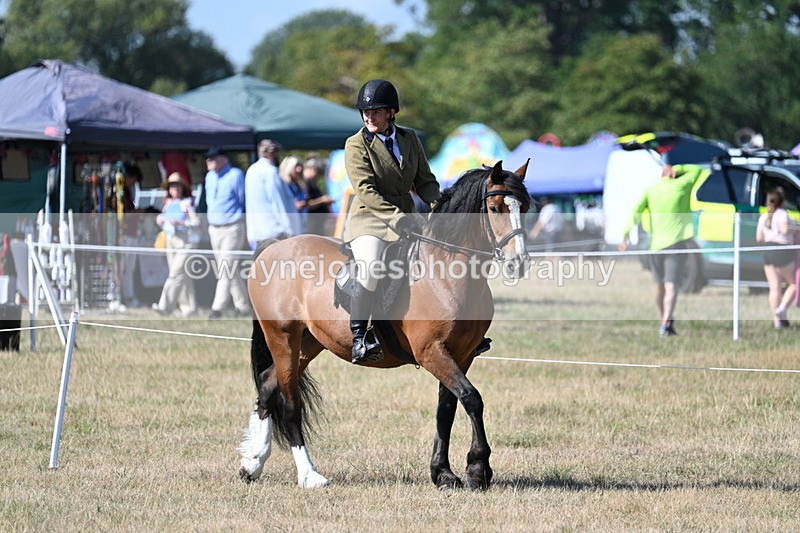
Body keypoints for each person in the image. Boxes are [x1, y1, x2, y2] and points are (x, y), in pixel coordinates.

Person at [343, 79, 440, 364]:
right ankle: (360, 337)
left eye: (375, 111)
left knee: (440, 261)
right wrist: (398, 219)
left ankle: (457, 330)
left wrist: (443, 209)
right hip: (370, 219)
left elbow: (426, 182)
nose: (368, 117)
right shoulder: (356, 144)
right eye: (365, 112)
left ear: (391, 113)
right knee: (372, 266)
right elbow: (366, 191)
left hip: (408, 218)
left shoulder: (410, 139)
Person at [620, 164, 704, 336]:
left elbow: (635, 211)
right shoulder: (681, 185)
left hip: (655, 245)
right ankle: (666, 322)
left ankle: (664, 320)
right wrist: (679, 168)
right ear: (673, 174)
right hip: (676, 244)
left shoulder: (652, 190)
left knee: (659, 285)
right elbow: (697, 170)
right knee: (671, 285)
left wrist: (626, 235)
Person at [203, 146, 250, 319]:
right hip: (214, 228)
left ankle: (218, 308)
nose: (209, 161)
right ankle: (243, 305)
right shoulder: (209, 177)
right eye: (208, 158)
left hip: (232, 226)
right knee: (228, 269)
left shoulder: (235, 175)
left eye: (213, 158)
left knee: (225, 267)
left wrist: (246, 227)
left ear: (223, 159)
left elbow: (243, 201)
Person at [152, 173, 199, 317]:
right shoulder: (167, 204)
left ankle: (164, 306)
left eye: (177, 186)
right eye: (172, 187)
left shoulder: (187, 203)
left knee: (175, 274)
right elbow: (164, 220)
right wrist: (160, 220)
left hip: (185, 242)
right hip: (170, 241)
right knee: (181, 275)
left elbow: (196, 222)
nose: (175, 189)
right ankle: (189, 308)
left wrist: (180, 223)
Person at [245, 139, 301, 250]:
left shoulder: (251, 170)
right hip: (273, 233)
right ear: (272, 153)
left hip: (256, 232)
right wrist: (291, 232)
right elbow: (279, 203)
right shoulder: (271, 172)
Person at [756, 188, 796, 329]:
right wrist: (796, 228)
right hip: (782, 250)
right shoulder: (782, 214)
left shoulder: (764, 216)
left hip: (767, 251)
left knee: (774, 287)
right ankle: (782, 309)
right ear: (782, 201)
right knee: (794, 284)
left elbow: (759, 237)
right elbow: (785, 230)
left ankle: (776, 321)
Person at [302, 155, 334, 235]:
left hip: (318, 223)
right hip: (311, 223)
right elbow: (306, 204)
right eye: (318, 172)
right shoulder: (304, 183)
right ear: (312, 169)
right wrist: (322, 200)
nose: (319, 176)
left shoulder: (313, 183)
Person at [279, 155, 310, 233]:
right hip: (290, 226)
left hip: (301, 225)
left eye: (300, 166)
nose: (299, 169)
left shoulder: (300, 186)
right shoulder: (284, 186)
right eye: (296, 166)